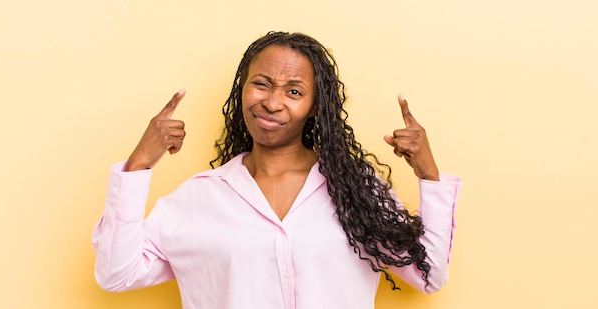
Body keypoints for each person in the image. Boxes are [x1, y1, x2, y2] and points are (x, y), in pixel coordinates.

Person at [92, 31, 462, 309]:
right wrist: (138, 165)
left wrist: (429, 175)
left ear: (317, 107)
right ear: (243, 89)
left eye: (294, 92)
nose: (271, 103)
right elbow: (116, 273)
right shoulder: (196, 199)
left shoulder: (357, 194)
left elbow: (428, 275)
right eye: (261, 84)